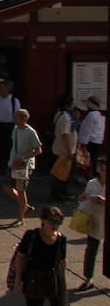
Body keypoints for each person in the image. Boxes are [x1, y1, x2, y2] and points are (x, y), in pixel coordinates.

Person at [12, 206, 67, 306]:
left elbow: (62, 261)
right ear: (43, 220)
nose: (55, 225)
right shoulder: (31, 235)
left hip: (55, 278)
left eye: (58, 222)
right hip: (34, 279)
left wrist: (62, 282)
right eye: (52, 221)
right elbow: (21, 257)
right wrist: (18, 279)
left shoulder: (61, 239)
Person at [5, 108, 42, 226]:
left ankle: (20, 218)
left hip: (23, 165)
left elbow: (38, 150)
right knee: (7, 187)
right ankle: (25, 206)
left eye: (16, 117)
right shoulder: (15, 129)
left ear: (23, 118)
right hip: (13, 162)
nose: (14, 119)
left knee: (21, 191)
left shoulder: (31, 132)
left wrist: (24, 158)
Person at [76, 156, 106, 291]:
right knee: (91, 250)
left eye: (105, 164)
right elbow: (84, 198)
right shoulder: (92, 183)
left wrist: (103, 200)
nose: (103, 167)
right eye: (100, 164)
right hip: (95, 220)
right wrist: (82, 197)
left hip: (106, 219)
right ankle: (88, 279)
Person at [0, 80, 20, 176]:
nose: (0, 90)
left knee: (9, 147)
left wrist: (18, 127)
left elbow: (18, 115)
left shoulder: (14, 101)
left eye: (2, 88)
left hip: (9, 125)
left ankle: (9, 167)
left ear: (8, 89)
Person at [49, 95, 77, 202]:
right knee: (61, 174)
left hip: (59, 148)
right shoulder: (65, 117)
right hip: (64, 150)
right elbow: (65, 135)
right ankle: (58, 194)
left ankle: (60, 193)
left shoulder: (58, 114)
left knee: (59, 173)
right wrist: (69, 150)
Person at [78, 96, 105, 172]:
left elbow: (86, 130)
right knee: (94, 159)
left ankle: (88, 175)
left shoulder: (91, 115)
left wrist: (82, 143)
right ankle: (94, 174)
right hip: (98, 141)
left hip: (90, 142)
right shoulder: (101, 116)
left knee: (87, 160)